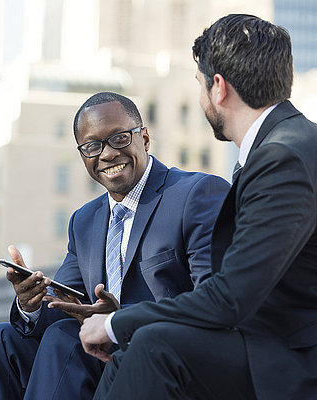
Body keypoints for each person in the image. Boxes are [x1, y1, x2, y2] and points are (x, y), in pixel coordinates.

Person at [81, 14, 317, 400]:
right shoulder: (285, 144)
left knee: (154, 346)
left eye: (199, 85)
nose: (200, 96)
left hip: (291, 356)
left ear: (218, 88)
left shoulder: (283, 156)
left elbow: (230, 298)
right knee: (142, 348)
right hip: (266, 338)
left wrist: (114, 324)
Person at [0, 92, 230, 400]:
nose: (106, 154)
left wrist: (118, 319)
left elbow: (212, 298)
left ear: (144, 138)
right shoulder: (84, 221)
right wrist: (31, 304)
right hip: (97, 355)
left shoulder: (195, 194)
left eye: (118, 138)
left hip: (161, 354)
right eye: (92, 146)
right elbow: (66, 304)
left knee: (63, 339)